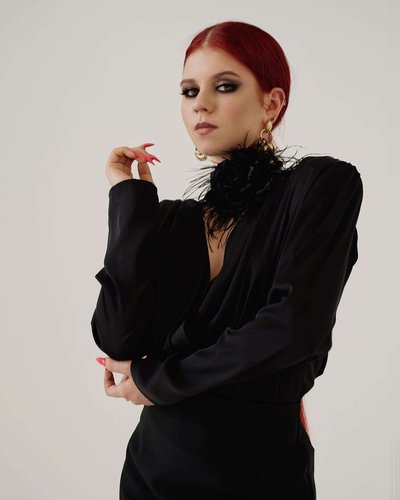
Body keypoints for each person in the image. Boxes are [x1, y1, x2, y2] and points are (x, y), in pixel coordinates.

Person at [91, 21, 363, 500]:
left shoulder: (319, 186)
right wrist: (129, 200)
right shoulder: (171, 221)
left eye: (224, 86)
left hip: (262, 474)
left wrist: (160, 379)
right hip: (153, 474)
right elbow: (118, 339)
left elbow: (293, 327)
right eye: (189, 90)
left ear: (272, 103)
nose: (200, 103)